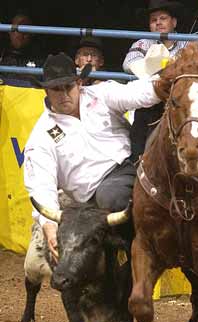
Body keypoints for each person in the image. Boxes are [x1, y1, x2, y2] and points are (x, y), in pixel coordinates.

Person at [23, 52, 161, 264]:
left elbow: (139, 93)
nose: (63, 95)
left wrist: (167, 81)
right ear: (46, 91)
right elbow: (41, 186)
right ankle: (145, 248)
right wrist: (50, 228)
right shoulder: (42, 136)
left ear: (79, 83)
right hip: (94, 196)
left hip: (132, 163)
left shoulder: (102, 93)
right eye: (56, 89)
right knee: (110, 196)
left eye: (68, 86)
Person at [123, 0, 187, 161]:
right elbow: (129, 64)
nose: (158, 22)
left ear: (174, 22)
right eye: (153, 20)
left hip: (180, 104)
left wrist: (152, 68)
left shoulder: (188, 42)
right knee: (139, 147)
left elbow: (193, 67)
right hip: (150, 103)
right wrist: (171, 69)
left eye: (163, 18)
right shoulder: (142, 42)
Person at [0, 11, 44, 83]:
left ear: (32, 33)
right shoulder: (3, 55)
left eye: (24, 28)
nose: (18, 34)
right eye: (14, 29)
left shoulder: (41, 59)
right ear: (8, 31)